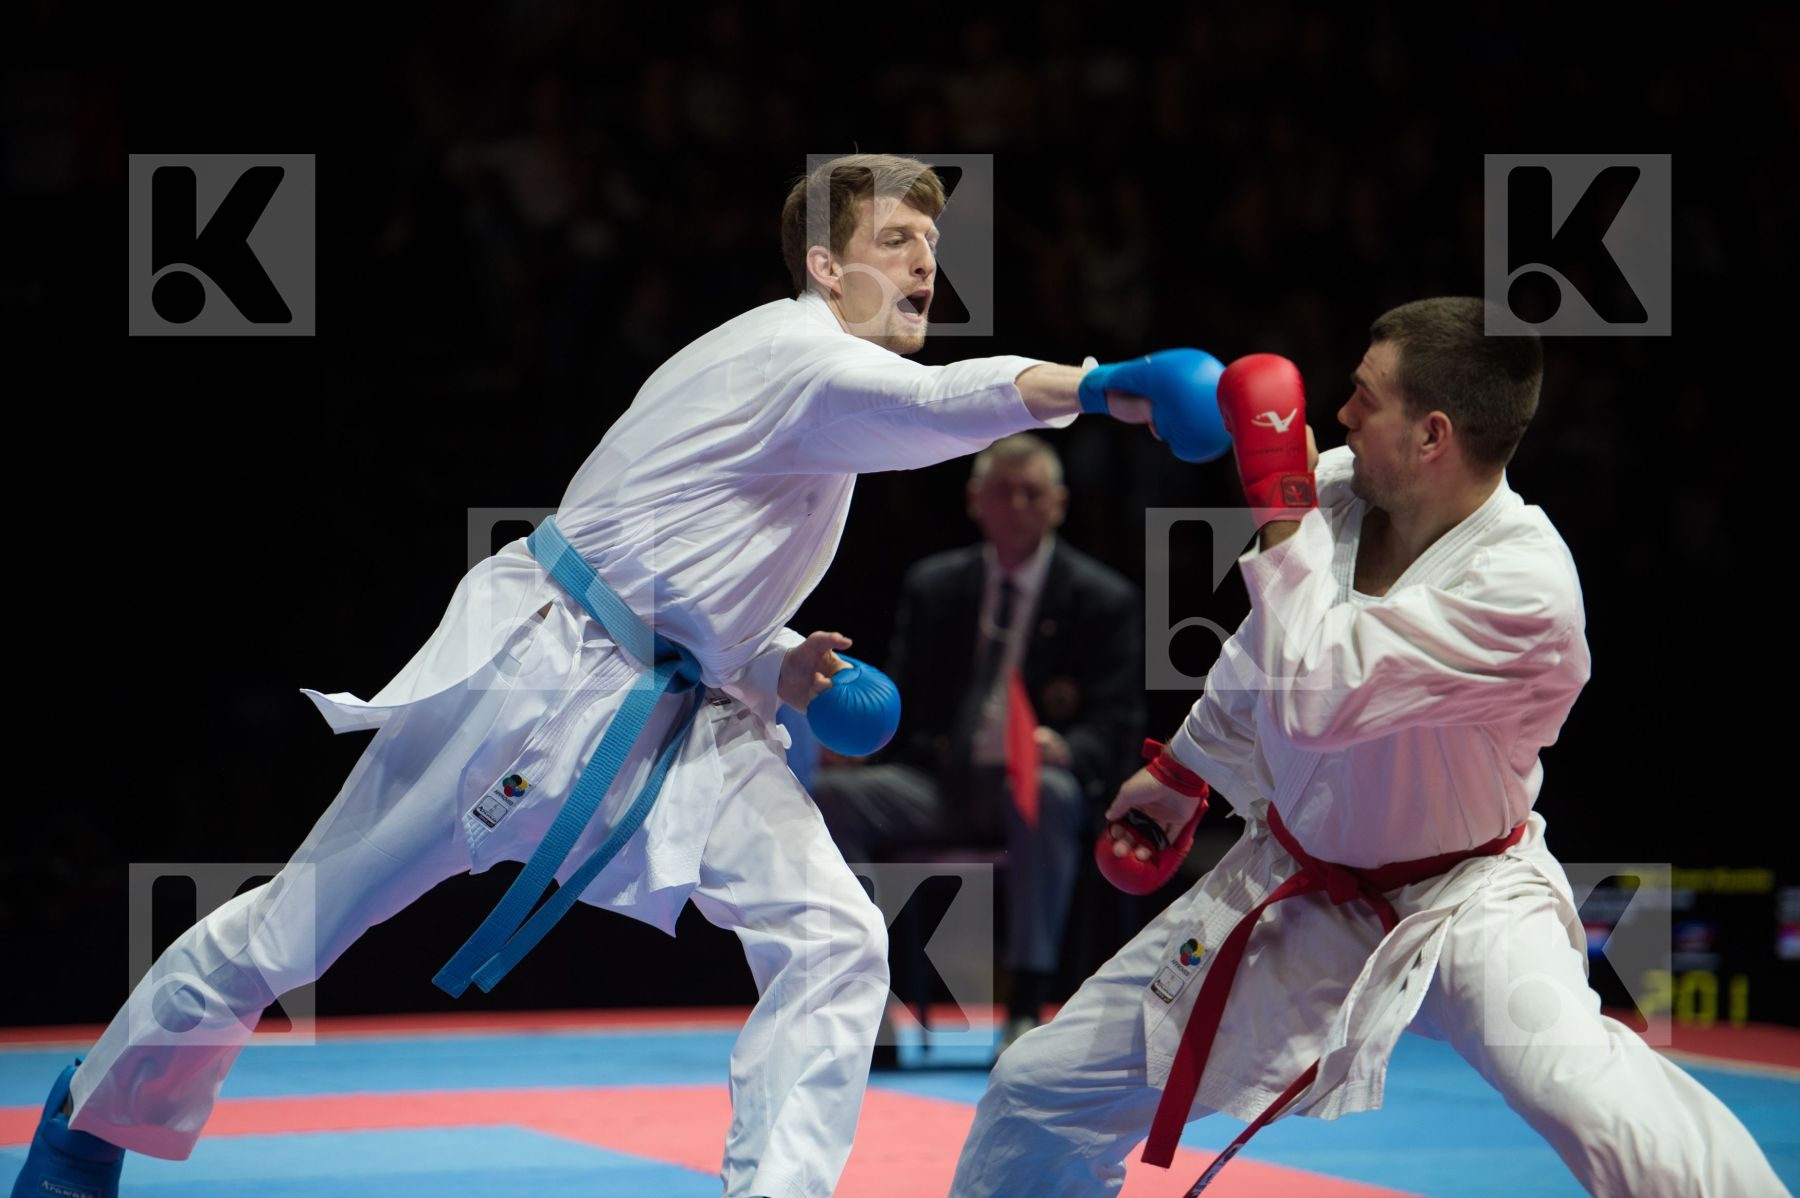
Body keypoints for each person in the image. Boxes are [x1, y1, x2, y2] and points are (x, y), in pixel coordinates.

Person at [9, 153, 1221, 1198]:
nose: (921, 265)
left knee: (839, 935)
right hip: (531, 682)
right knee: (293, 932)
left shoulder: (813, 400)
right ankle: (87, 1121)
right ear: (818, 265)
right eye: (894, 241)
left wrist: (773, 653)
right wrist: (1103, 387)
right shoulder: (802, 359)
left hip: (671, 711)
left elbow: (676, 562)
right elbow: (940, 402)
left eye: (931, 244)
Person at [950, 297, 1792, 1197]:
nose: (1339, 415)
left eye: (1363, 395)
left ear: (1432, 434)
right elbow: (1265, 654)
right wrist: (1183, 772)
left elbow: (1321, 692)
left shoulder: (1526, 588)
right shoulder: (1349, 485)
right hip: (1301, 882)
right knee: (1038, 1089)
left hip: (1468, 902)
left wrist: (1279, 505)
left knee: (1591, 1097)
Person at [810, 432, 1146, 1055]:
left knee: (1048, 790)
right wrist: (858, 738)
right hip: (940, 780)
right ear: (974, 501)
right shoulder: (935, 585)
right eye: (1002, 492)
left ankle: (1024, 1005)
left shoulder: (1103, 598)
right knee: (832, 795)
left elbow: (1119, 725)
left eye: (1031, 494)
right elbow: (903, 704)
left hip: (1029, 787)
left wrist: (1065, 747)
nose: (1016, 505)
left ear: (1059, 504)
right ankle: (864, 996)